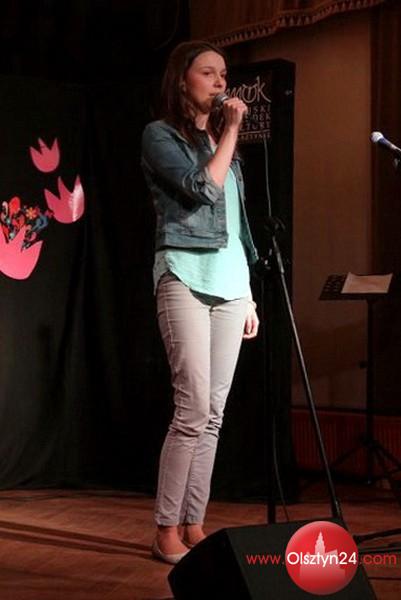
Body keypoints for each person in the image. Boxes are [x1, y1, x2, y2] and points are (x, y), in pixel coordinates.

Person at [141, 40, 259, 565]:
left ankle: (194, 523)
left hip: (232, 285)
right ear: (181, 79)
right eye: (208, 72)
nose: (220, 82)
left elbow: (238, 228)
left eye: (223, 73)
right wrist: (230, 131)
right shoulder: (160, 135)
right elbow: (201, 191)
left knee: (214, 414)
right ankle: (166, 527)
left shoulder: (224, 147)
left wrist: (249, 294)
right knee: (191, 409)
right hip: (184, 275)